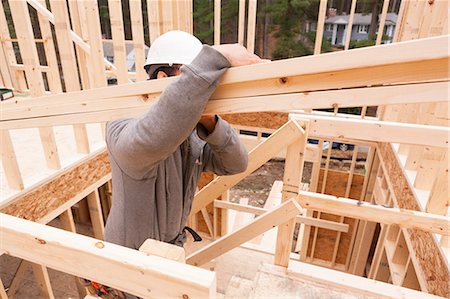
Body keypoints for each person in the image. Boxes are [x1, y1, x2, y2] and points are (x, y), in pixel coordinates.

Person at [103, 31, 266, 252]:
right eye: (191, 75)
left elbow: (236, 163)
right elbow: (154, 138)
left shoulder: (193, 135)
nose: (208, 90)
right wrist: (216, 56)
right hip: (129, 258)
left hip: (169, 251)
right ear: (164, 79)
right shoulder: (121, 126)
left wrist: (211, 122)